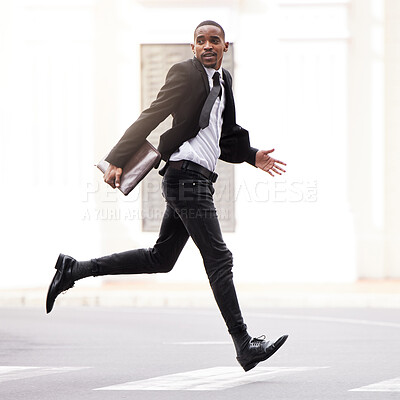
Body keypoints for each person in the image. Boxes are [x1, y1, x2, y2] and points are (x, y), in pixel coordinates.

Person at [46, 20, 288, 372]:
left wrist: (252, 155)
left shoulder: (223, 82)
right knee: (219, 259)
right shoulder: (184, 74)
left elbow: (227, 135)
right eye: (200, 41)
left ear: (225, 47)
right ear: (193, 48)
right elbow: (153, 114)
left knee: (161, 258)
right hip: (184, 178)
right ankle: (244, 343)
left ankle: (74, 270)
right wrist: (116, 158)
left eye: (214, 40)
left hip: (198, 180)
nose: (207, 45)